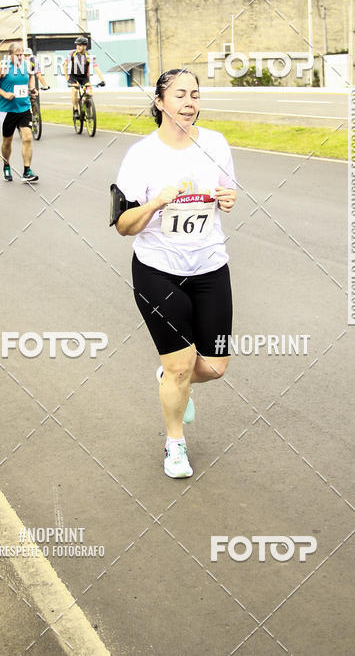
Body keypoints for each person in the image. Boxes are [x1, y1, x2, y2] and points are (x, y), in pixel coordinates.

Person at [110, 68, 237, 479]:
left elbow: (226, 192)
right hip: (157, 271)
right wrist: (154, 204)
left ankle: (171, 376)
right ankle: (175, 443)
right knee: (183, 365)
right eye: (180, 94)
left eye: (195, 95)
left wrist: (229, 197)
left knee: (215, 367)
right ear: (160, 102)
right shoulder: (141, 156)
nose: (190, 102)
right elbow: (123, 225)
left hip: (210, 266)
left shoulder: (215, 144)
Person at [0, 41, 38, 183]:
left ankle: (27, 171)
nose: (20, 57)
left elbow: (31, 77)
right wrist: (4, 94)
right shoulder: (2, 66)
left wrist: (32, 89)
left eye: (22, 54)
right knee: (7, 141)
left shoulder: (27, 65)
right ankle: (6, 165)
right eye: (17, 55)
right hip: (8, 110)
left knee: (27, 137)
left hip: (24, 107)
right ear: (10, 55)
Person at [65, 36, 105, 118]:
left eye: (80, 45)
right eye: (77, 45)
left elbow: (96, 68)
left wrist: (102, 80)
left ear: (85, 46)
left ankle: (88, 108)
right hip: (73, 77)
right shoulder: (72, 54)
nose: (78, 47)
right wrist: (67, 79)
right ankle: (76, 110)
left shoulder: (89, 56)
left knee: (89, 94)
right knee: (75, 91)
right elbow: (64, 66)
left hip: (84, 78)